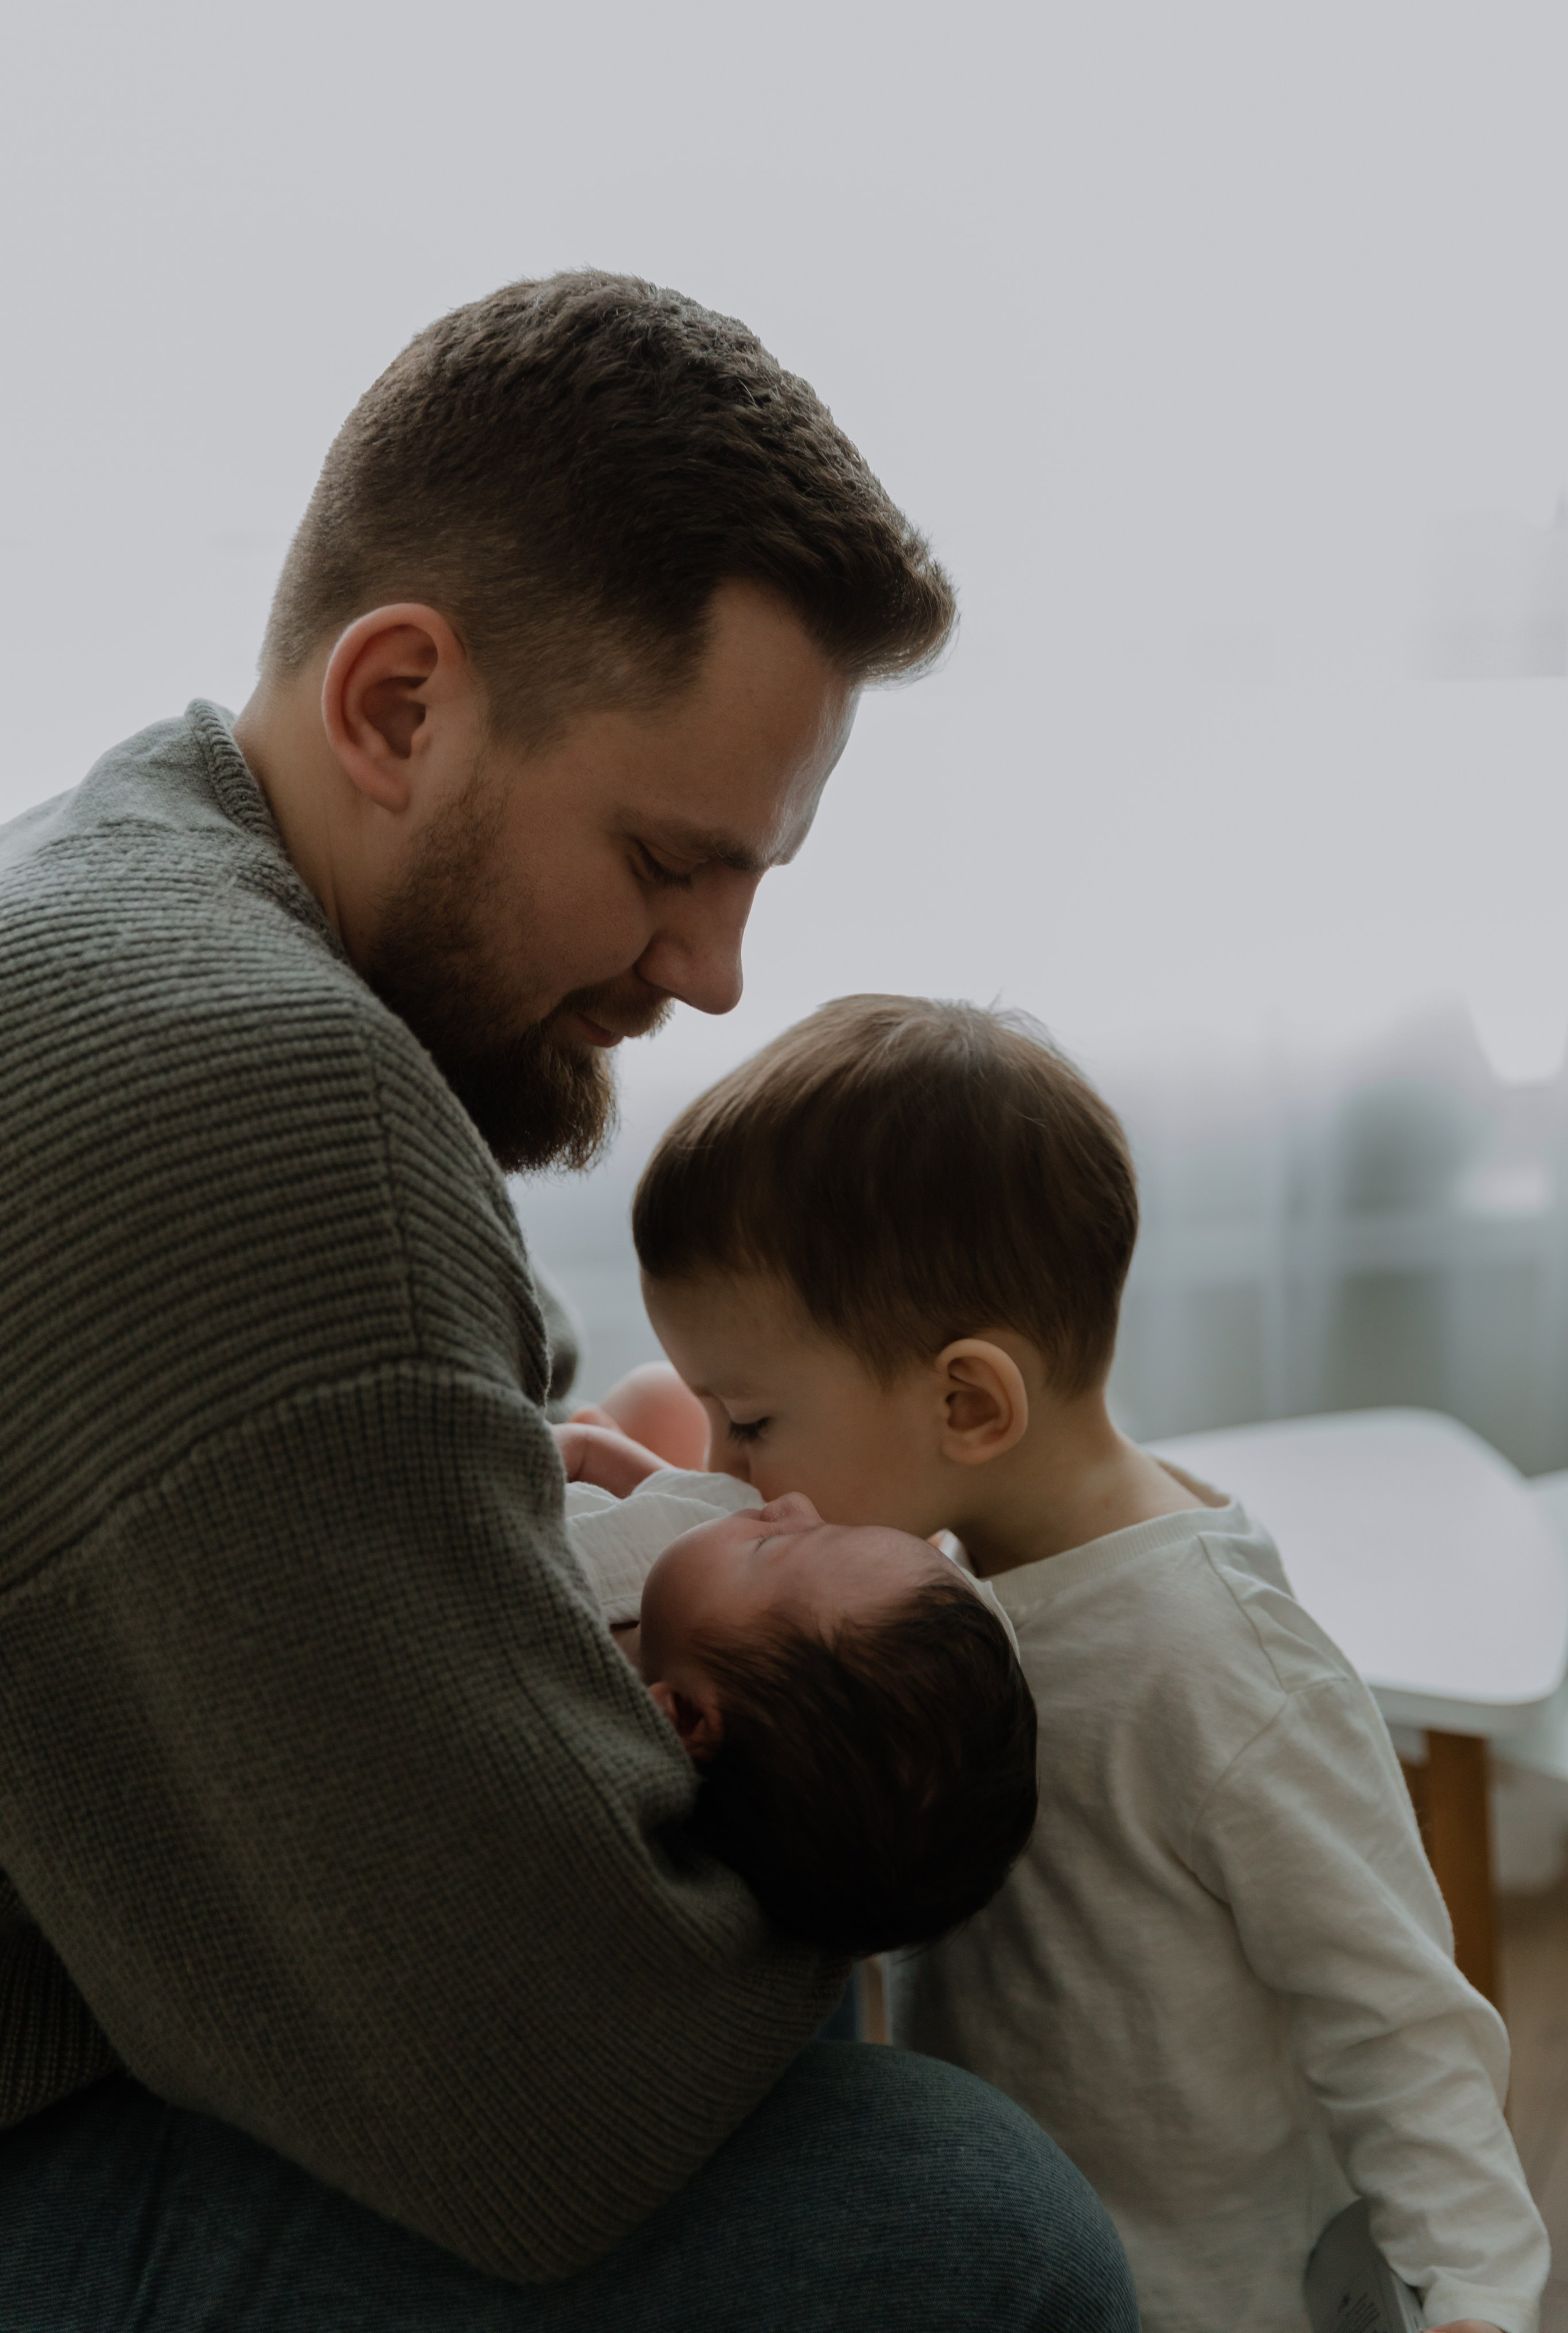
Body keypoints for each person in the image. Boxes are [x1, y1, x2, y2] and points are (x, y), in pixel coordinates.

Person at [0, 275, 1139, 2330]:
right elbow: (545, 2089)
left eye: (754, 882)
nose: (712, 974)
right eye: (666, 858)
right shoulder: (261, 1090)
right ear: (400, 708)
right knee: (974, 2219)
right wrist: (855, 1857)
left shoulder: (119, 881)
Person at [627, 992, 1550, 2333]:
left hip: (1216, 2294)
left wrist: (1474, 2292)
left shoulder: (1215, 1665)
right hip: (1036, 2256)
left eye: (751, 1421)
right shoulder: (942, 1585)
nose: (726, 1477)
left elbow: (1395, 2015)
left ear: (966, 1403)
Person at [559, 1464, 1037, 1952]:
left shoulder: (555, 1687)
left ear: (683, 1717)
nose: (793, 1505)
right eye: (832, 1527)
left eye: (772, 1548)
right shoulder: (706, 1583)